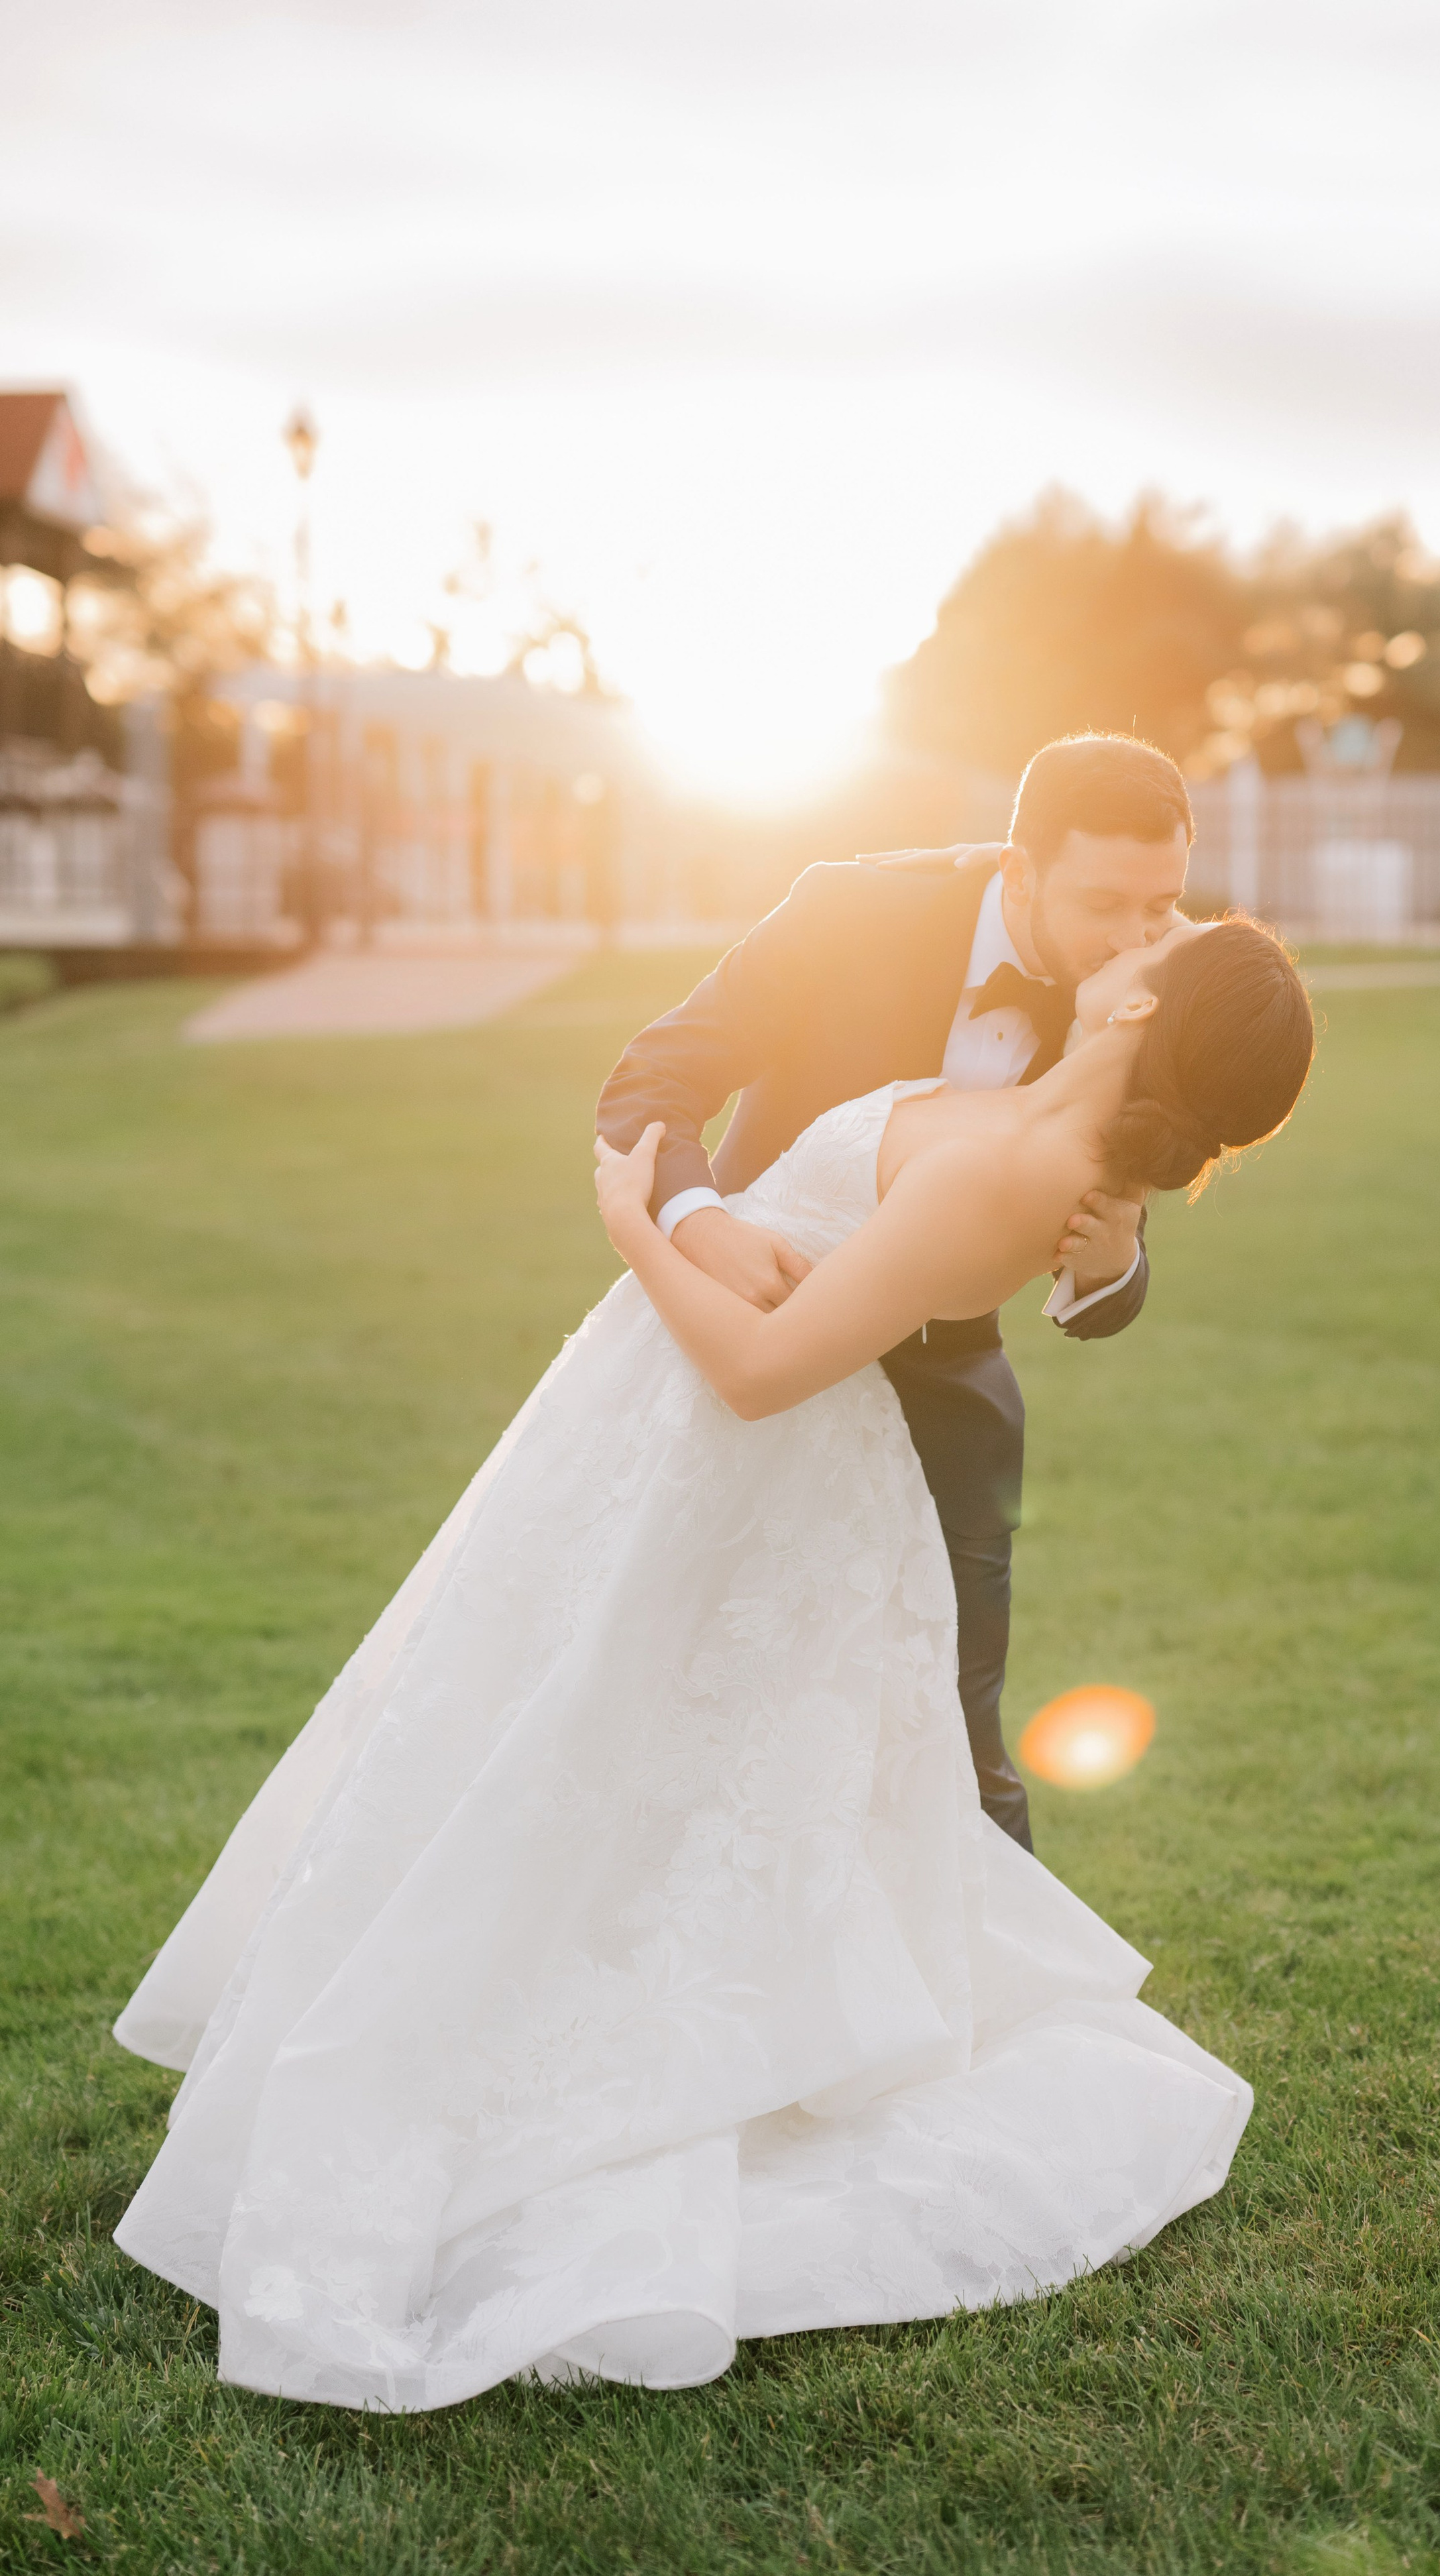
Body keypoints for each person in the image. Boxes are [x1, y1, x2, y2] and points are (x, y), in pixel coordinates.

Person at [111, 910, 1313, 2411]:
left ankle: (546, 2081)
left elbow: (758, 1371)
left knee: (583, 1777)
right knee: (554, 1760)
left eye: (1169, 934)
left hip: (739, 1477)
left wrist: (636, 1224)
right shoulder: (1031, 1130)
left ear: (1145, 1000)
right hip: (653, 1442)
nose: (1146, 928)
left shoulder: (1022, 1168)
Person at [598, 733, 1199, 1852]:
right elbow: (650, 1080)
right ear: (1020, 873)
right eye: (1105, 902)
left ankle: (989, 2014)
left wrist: (1112, 1253)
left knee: (954, 1737)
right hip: (757, 1333)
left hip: (947, 1381)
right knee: (687, 1690)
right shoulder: (852, 912)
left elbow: (1108, 1279)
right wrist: (700, 1221)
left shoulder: (1148, 986)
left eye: (1161, 903)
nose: (1136, 939)